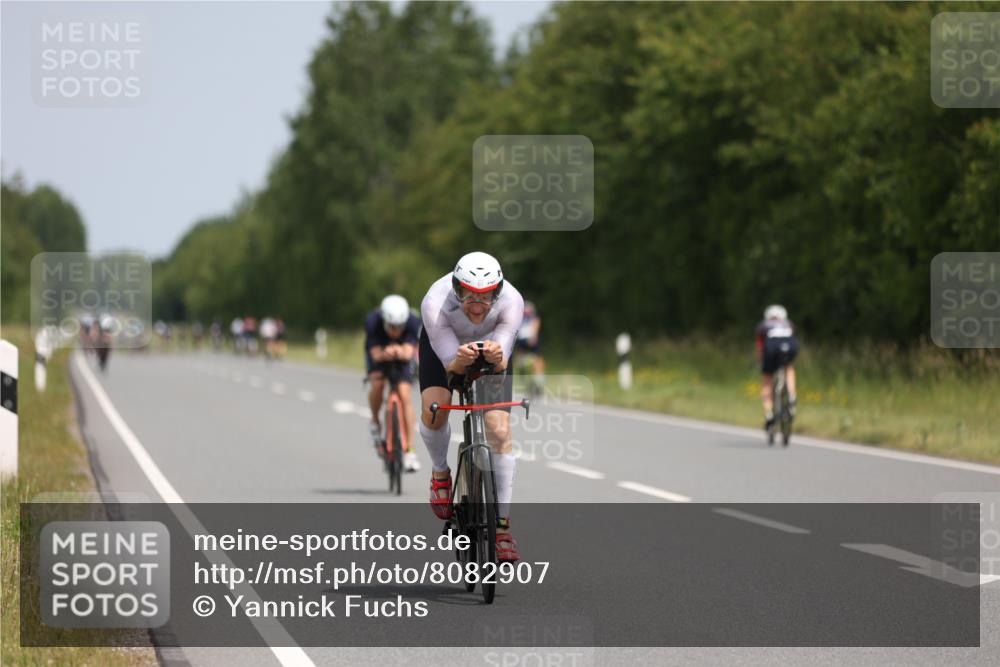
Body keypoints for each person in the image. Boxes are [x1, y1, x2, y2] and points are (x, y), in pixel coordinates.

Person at [419, 251, 524, 561]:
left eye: (486, 297)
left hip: (492, 348)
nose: (477, 305)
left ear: (498, 292)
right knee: (436, 408)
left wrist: (496, 356)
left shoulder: (512, 301)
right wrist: (459, 361)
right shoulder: (435, 302)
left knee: (499, 430)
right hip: (446, 349)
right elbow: (451, 369)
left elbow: (500, 364)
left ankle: (502, 528)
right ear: (456, 289)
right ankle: (440, 472)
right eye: (468, 296)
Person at [365, 295, 421, 472]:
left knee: (405, 394)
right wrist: (385, 354)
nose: (395, 331)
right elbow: (375, 355)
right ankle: (375, 422)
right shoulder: (373, 322)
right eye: (391, 326)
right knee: (378, 384)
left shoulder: (413, 322)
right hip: (380, 352)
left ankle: (410, 451)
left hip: (402, 355)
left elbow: (408, 353)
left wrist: (399, 352)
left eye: (399, 327)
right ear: (384, 321)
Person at [756, 304, 799, 431]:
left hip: (771, 346)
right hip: (790, 345)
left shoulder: (763, 326)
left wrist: (762, 363)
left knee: (767, 380)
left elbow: (760, 349)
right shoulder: (788, 324)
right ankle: (791, 395)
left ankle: (769, 414)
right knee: (788, 368)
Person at [515, 300, 545, 391]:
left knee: (537, 359)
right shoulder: (519, 317)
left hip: (529, 340)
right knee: (523, 360)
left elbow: (536, 324)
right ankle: (527, 374)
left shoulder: (533, 318)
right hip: (522, 340)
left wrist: (534, 336)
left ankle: (538, 380)